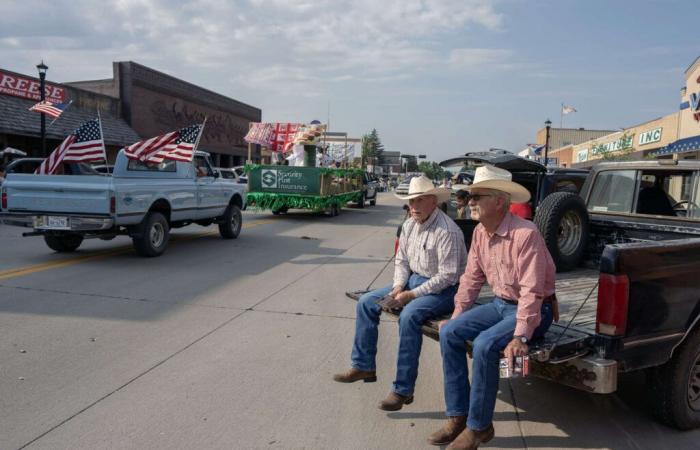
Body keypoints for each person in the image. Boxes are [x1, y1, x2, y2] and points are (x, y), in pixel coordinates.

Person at [428, 165, 556, 449]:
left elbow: (533, 290)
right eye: (469, 196)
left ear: (500, 201)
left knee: (486, 344)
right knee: (449, 332)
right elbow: (471, 279)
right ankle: (458, 416)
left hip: (535, 310)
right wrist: (457, 315)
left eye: (478, 196)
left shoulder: (526, 234)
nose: (470, 201)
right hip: (500, 305)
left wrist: (521, 335)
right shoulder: (480, 233)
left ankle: (479, 427)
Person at [334, 175, 467, 411]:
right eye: (411, 202)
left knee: (409, 317)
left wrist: (411, 295)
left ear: (433, 202)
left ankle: (403, 389)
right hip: (415, 279)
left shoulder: (447, 230)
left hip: (446, 289)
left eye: (419, 201)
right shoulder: (408, 225)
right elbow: (402, 262)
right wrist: (398, 287)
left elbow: (447, 277)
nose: (413, 207)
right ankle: (363, 364)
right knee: (366, 302)